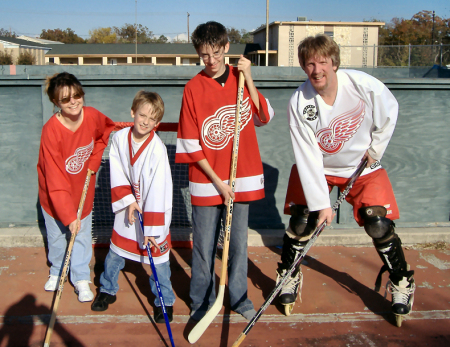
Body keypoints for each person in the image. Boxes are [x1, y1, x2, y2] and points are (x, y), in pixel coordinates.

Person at [277, 34, 415, 322]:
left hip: (361, 168)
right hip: (321, 169)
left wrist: (375, 149)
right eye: (310, 64)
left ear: (334, 63)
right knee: (303, 220)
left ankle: (402, 280)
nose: (317, 70)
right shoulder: (300, 102)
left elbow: (390, 110)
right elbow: (307, 155)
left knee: (377, 223)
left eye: (323, 62)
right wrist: (320, 205)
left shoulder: (362, 85)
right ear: (303, 67)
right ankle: (288, 275)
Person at [175, 21, 275, 321]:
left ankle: (239, 297)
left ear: (226, 47)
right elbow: (191, 143)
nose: (211, 60)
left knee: (237, 244)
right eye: (204, 54)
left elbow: (263, 116)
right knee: (204, 247)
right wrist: (218, 183)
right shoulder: (192, 88)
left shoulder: (240, 78)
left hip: (240, 178)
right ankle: (200, 300)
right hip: (208, 182)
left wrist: (250, 78)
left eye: (216, 52)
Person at [91, 91, 175, 324]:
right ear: (133, 113)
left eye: (152, 118)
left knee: (159, 262)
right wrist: (128, 201)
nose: (146, 121)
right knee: (115, 253)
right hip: (128, 206)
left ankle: (164, 300)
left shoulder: (157, 149)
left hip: (151, 210)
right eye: (142, 115)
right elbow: (117, 170)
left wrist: (151, 228)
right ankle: (107, 289)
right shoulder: (119, 138)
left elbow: (160, 189)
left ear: (157, 123)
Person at [38, 72, 115, 302]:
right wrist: (68, 215)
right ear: (55, 103)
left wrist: (94, 161)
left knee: (81, 236)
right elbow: (54, 178)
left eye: (77, 95)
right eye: (66, 99)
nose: (74, 102)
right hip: (53, 197)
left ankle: (81, 277)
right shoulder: (50, 131)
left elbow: (105, 132)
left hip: (83, 190)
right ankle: (57, 270)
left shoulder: (91, 116)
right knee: (57, 237)